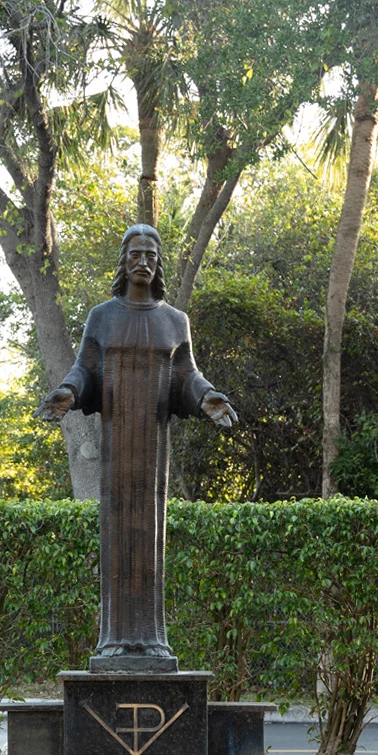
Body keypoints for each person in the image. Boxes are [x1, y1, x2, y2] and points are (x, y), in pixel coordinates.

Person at [37, 223, 237, 669]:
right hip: (115, 452)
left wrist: (207, 398)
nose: (142, 262)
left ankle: (152, 643)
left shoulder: (174, 321)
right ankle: (113, 642)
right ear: (123, 261)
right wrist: (68, 393)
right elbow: (84, 368)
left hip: (152, 454)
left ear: (158, 262)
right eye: (135, 254)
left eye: (150, 255)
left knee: (148, 539)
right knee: (116, 536)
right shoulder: (102, 317)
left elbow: (186, 374)